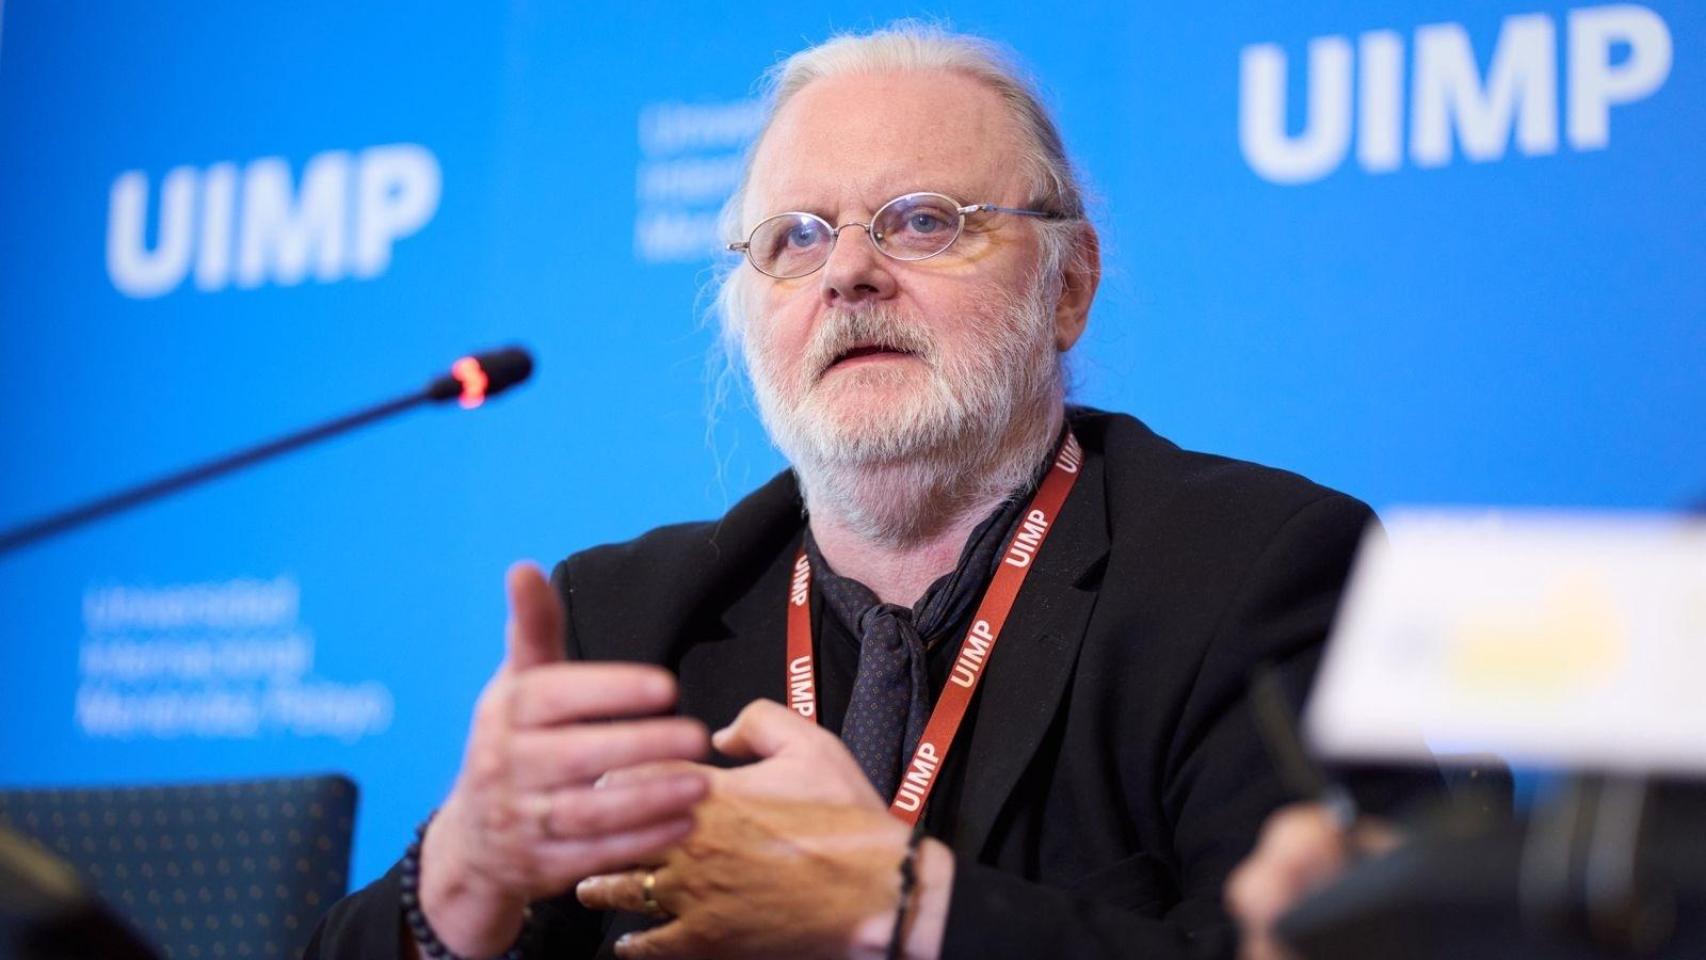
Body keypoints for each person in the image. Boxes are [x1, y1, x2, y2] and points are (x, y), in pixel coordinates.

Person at [309, 22, 1405, 960]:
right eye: (794, 237)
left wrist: (902, 906)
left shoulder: (1255, 572)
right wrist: (460, 878)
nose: (847, 273)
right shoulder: (625, 623)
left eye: (923, 220)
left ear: (1066, 288)